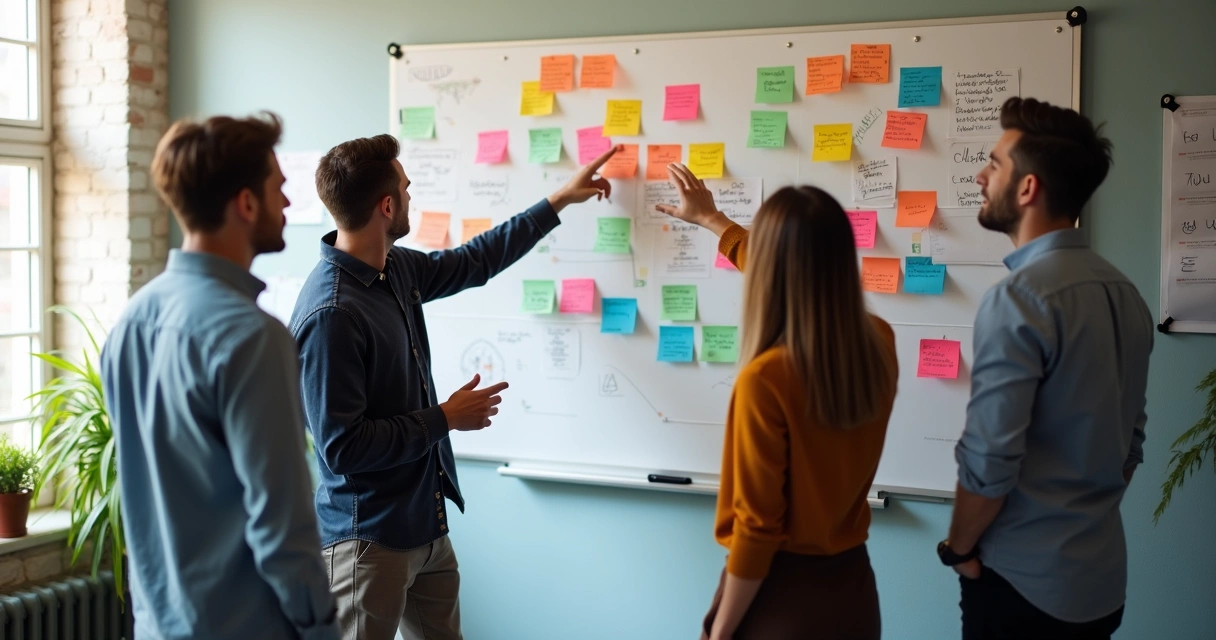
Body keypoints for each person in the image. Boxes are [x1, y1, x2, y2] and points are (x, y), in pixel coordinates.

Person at [290, 134, 618, 640]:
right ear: (387, 205)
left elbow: (474, 261)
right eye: (406, 186)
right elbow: (342, 448)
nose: (411, 193)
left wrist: (558, 201)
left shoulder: (394, 269)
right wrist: (444, 418)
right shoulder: (331, 313)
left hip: (426, 525)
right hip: (367, 542)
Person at [100, 113, 338, 639]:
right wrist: (323, 630)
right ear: (246, 203)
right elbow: (284, 530)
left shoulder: (130, 323)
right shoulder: (253, 338)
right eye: (279, 188)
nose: (290, 204)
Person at [937, 97, 1153, 639]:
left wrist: (957, 549)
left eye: (994, 163)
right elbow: (1131, 445)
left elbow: (989, 460)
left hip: (1020, 589)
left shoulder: (1019, 297)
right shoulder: (1125, 293)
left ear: (1028, 188)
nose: (982, 176)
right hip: (1099, 585)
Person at [657, 165, 899, 640]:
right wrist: (713, 221)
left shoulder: (766, 380)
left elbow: (757, 529)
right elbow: (800, 274)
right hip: (853, 594)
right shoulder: (878, 340)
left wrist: (721, 630)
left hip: (780, 602)